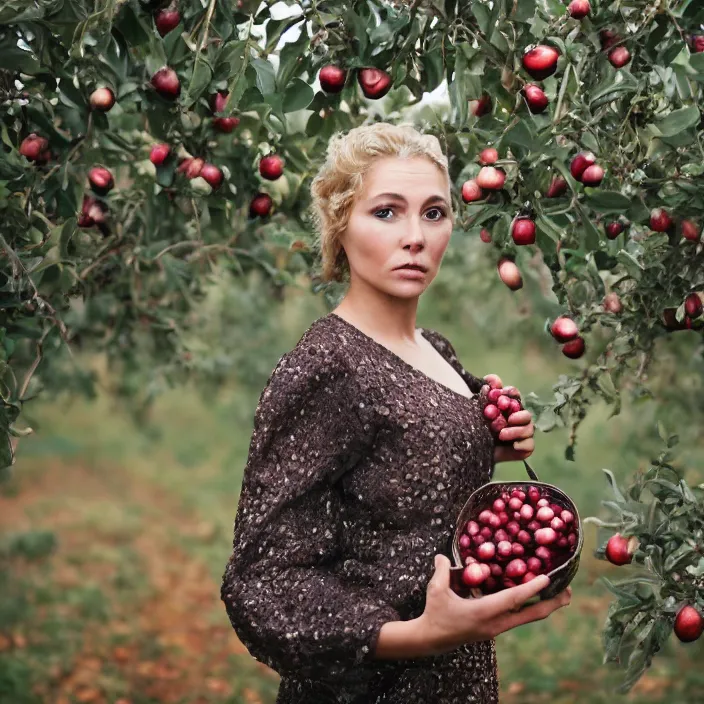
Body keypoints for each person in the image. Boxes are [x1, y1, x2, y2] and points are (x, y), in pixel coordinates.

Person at [221, 122, 571, 703]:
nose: (415, 236)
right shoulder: (329, 367)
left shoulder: (435, 350)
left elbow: (407, 450)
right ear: (340, 226)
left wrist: (488, 439)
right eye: (386, 212)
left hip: (457, 681)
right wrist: (416, 637)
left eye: (434, 214)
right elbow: (262, 585)